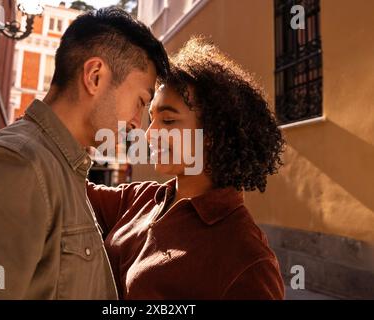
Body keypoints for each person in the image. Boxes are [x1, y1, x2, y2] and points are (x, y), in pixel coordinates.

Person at [0, 7, 169, 299]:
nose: (136, 122)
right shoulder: (17, 167)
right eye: (141, 101)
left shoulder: (62, 170)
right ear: (94, 76)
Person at [87, 37, 286, 299]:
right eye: (152, 119)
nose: (149, 134)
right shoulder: (142, 199)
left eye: (168, 120)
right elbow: (67, 185)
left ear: (212, 133)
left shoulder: (247, 259)